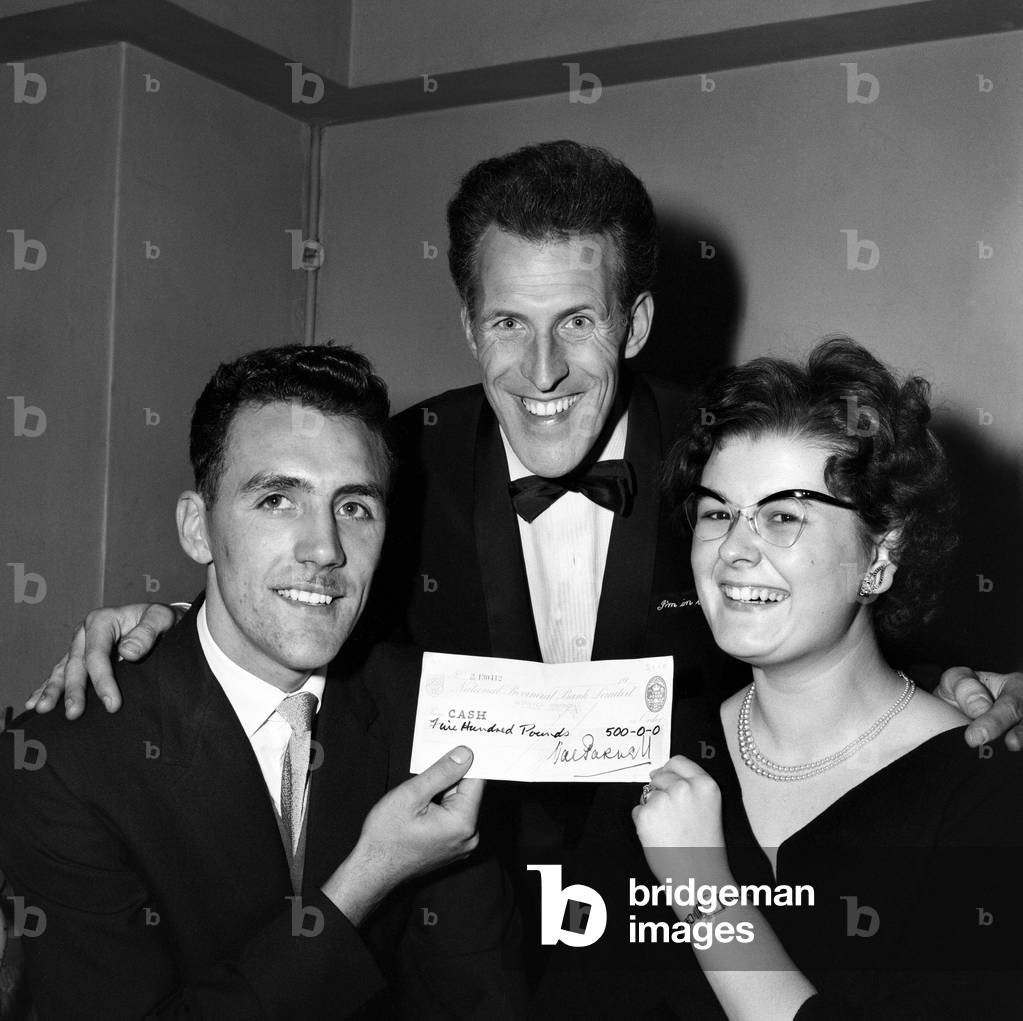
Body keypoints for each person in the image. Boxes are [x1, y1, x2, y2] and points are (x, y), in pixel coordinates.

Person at [0, 344, 521, 1019]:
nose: (325, 548)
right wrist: (363, 881)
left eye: (354, 507)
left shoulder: (434, 708)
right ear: (198, 528)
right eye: (278, 500)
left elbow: (475, 994)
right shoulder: (62, 761)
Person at [633, 338, 1023, 1019]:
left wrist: (704, 891)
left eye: (784, 515)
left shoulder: (984, 793)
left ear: (880, 554)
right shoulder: (652, 757)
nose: (733, 549)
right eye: (717, 512)